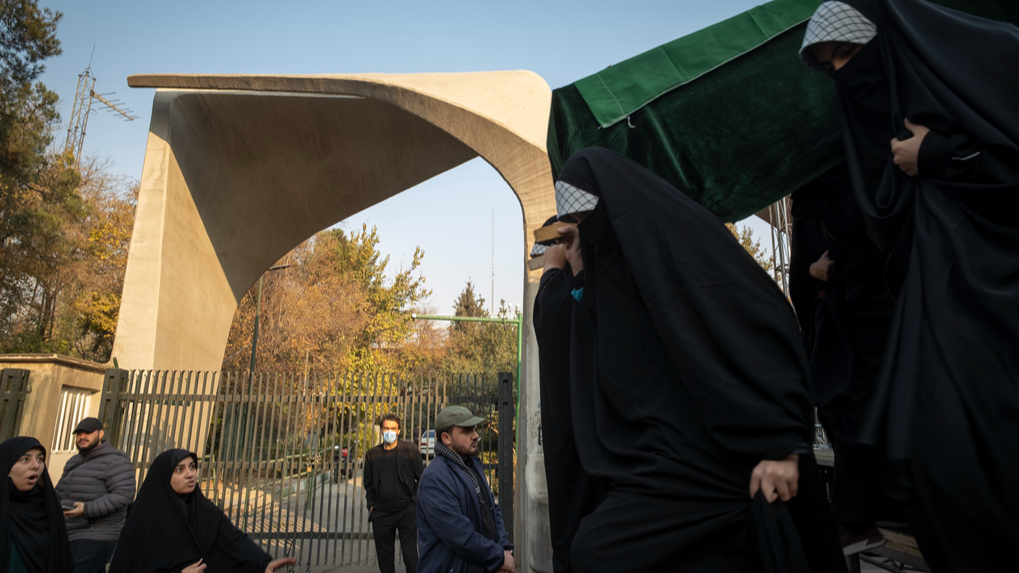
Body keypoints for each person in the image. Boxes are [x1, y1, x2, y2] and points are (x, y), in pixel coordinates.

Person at [800, 2, 1019, 570]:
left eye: (849, 53)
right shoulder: (890, 135)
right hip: (947, 320)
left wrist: (947, 154)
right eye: (830, 66)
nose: (845, 75)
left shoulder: (990, 62)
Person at [555, 147, 845, 573]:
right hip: (674, 459)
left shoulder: (679, 239)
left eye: (585, 217)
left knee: (597, 550)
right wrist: (579, 268)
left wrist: (783, 440)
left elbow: (761, 318)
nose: (587, 230)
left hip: (731, 454)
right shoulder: (616, 260)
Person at [789, 173, 898, 556]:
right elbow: (803, 263)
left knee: (859, 400)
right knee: (839, 402)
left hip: (872, 304)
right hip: (838, 313)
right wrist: (811, 272)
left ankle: (859, 517)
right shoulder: (813, 190)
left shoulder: (857, 171)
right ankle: (861, 514)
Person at [532, 215, 605, 573]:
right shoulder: (569, 288)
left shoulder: (584, 285)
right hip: (583, 444)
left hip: (592, 448)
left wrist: (556, 268)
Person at [108, 449, 295, 573]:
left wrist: (263, 563)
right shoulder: (144, 519)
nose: (190, 474)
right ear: (164, 477)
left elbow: (234, 541)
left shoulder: (203, 510)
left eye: (192, 467)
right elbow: (128, 567)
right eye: (179, 470)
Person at [417, 406, 514, 573]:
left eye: (474, 429)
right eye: (466, 431)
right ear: (446, 438)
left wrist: (504, 548)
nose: (476, 435)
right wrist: (499, 556)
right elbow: (459, 535)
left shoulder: (472, 464)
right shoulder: (435, 478)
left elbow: (492, 509)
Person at [54, 417, 135, 573]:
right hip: (69, 533)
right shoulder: (74, 461)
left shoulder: (116, 461)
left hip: (96, 535)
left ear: (101, 434)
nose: (82, 437)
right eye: (79, 434)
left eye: (88, 433)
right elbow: (59, 492)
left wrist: (86, 509)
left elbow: (124, 494)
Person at [1, 437, 74, 573]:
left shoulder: (48, 506)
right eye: (25, 459)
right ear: (6, 465)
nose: (35, 465)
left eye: (40, 459)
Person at [363, 413, 424, 573]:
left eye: (393, 428)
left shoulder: (410, 450)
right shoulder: (372, 454)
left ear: (398, 431)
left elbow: (422, 479)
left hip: (406, 512)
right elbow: (367, 483)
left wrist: (414, 503)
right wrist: (371, 505)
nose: (389, 431)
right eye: (386, 428)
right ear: (381, 430)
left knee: (411, 556)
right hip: (381, 514)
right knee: (385, 560)